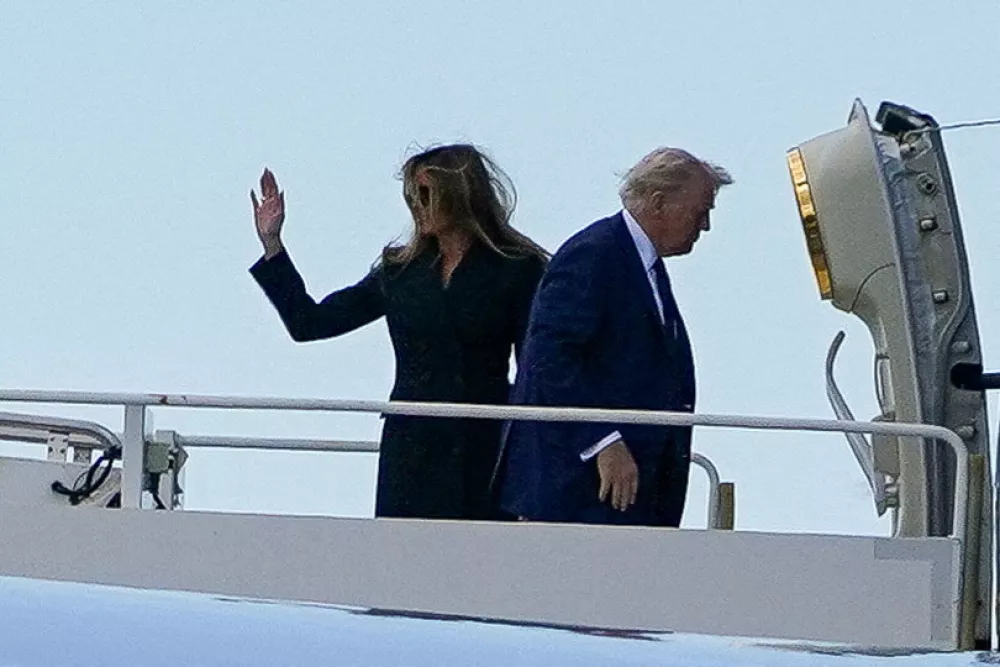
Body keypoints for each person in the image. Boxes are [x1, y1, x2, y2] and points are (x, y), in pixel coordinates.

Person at [249, 144, 548, 520]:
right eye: (411, 196)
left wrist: (529, 468)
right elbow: (310, 322)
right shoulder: (401, 273)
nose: (416, 205)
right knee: (401, 562)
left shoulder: (517, 269)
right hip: (411, 446)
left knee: (481, 564)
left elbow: (533, 371)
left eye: (425, 194)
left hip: (482, 444)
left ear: (459, 194)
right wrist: (273, 245)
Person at [496, 147, 732, 527]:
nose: (704, 225)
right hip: (581, 493)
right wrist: (602, 440)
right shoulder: (594, 255)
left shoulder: (642, 265)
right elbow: (549, 358)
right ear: (658, 203)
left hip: (633, 496)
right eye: (700, 210)